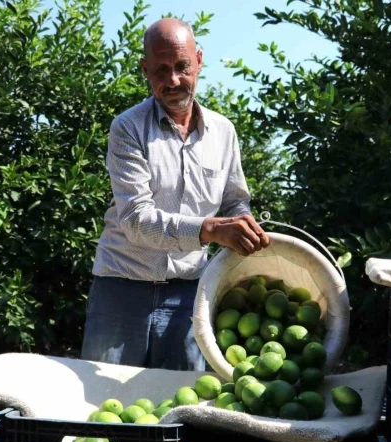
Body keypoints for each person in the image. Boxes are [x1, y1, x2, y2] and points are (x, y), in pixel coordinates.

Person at [81, 18, 271, 371]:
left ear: (199, 60)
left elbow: (234, 199)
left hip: (189, 293)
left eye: (182, 67)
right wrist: (211, 231)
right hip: (122, 289)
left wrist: (242, 220)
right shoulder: (127, 129)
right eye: (161, 70)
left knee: (182, 405)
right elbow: (136, 218)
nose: (173, 80)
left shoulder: (223, 132)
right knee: (100, 402)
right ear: (144, 70)